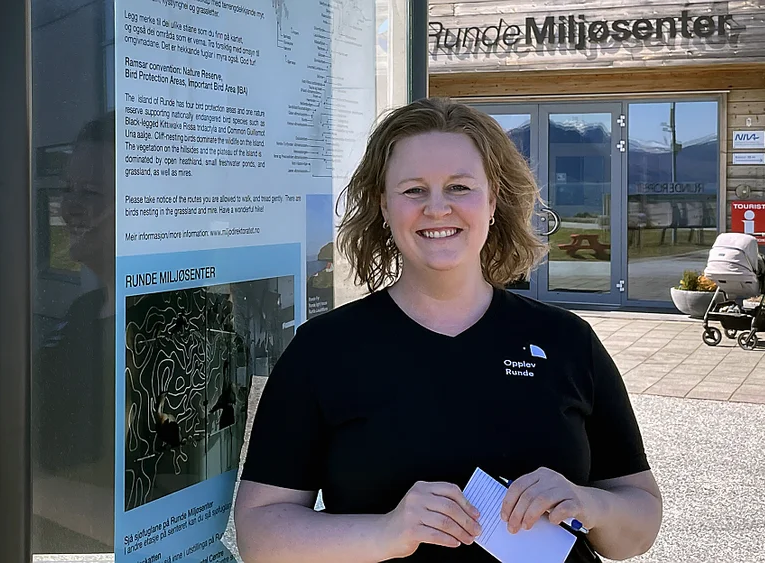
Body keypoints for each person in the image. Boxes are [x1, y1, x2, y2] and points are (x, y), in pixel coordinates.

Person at [233, 97, 663, 562]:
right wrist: (388, 532)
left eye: (459, 187)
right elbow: (260, 534)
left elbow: (637, 529)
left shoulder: (566, 341)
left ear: (493, 200)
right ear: (383, 205)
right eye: (414, 190)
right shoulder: (325, 350)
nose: (437, 208)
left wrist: (589, 504)